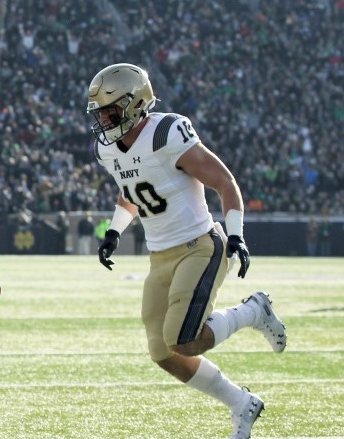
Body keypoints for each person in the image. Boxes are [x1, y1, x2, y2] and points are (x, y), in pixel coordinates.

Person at [86, 63, 287, 439]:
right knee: (164, 354)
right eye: (100, 112)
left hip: (200, 246)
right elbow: (132, 189)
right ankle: (241, 403)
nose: (104, 119)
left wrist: (236, 236)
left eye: (110, 111)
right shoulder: (107, 148)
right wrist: (114, 230)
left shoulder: (167, 132)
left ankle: (252, 311)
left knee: (182, 339)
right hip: (159, 254)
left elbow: (224, 181)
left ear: (136, 103)